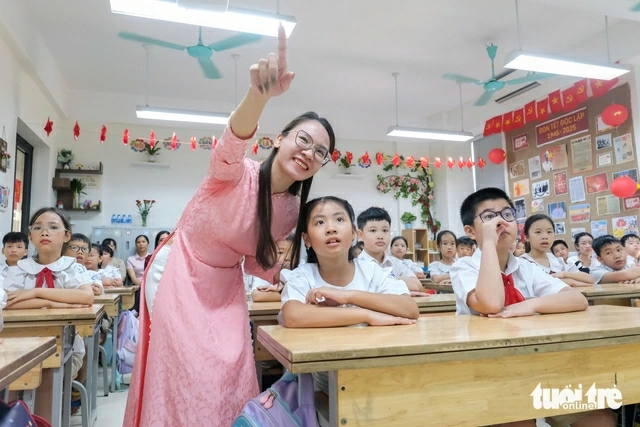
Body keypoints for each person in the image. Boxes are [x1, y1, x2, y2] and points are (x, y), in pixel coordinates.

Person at [124, 25, 337, 426]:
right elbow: (232, 140)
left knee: (232, 370)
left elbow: (258, 263)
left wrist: (303, 278)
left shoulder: (292, 210)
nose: (310, 153)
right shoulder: (235, 172)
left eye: (321, 152)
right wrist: (258, 96)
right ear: (280, 138)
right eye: (304, 140)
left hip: (227, 285)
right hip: (180, 272)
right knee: (186, 374)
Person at [450, 188, 609, 427]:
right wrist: (490, 246)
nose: (501, 221)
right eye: (490, 217)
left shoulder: (527, 267)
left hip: (539, 366)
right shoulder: (464, 268)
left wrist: (531, 304)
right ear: (471, 232)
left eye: (507, 214)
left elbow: (577, 299)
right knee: (519, 422)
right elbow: (491, 304)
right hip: (488, 371)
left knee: (599, 420)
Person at [3, 208, 94, 420]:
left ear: (67, 235)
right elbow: (7, 302)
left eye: (53, 227)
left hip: (64, 347)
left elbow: (86, 297)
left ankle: (44, 422)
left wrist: (35, 292)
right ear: (30, 235)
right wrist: (55, 301)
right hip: (18, 343)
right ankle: (15, 420)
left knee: (48, 372)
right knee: (13, 376)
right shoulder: (19, 268)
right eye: (38, 228)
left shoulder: (72, 268)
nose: (45, 233)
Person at [356, 207, 422, 291]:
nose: (380, 236)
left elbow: (417, 286)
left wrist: (384, 280)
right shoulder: (356, 266)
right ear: (360, 235)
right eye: (373, 230)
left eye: (385, 230)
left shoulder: (397, 263)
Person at [520, 214, 594, 287]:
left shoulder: (557, 260)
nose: (545, 237)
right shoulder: (522, 263)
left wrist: (564, 274)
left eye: (549, 232)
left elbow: (590, 279)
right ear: (527, 237)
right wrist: (568, 281)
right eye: (538, 232)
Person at [250, 232, 295, 302]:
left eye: (293, 253)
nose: (288, 257)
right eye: (280, 252)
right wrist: (298, 295)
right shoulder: (263, 270)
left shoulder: (302, 267)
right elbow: (257, 296)